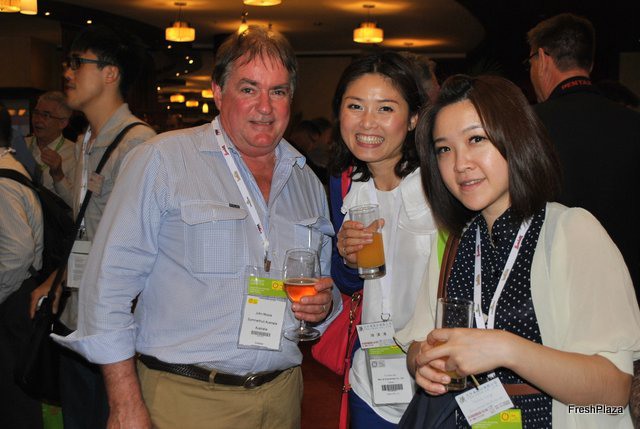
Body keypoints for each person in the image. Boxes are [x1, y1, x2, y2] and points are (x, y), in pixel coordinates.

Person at [54, 26, 340, 429]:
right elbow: (107, 286)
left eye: (277, 91)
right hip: (186, 400)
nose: (265, 106)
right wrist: (124, 402)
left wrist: (323, 307)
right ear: (218, 92)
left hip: (283, 397)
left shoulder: (306, 180)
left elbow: (324, 284)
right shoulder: (162, 160)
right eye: (248, 89)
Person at [396, 74, 640, 428]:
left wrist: (505, 348)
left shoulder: (571, 231)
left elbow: (614, 388)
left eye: (476, 139)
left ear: (515, 138)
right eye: (444, 149)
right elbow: (419, 343)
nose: (460, 163)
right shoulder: (457, 242)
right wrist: (421, 360)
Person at [28, 25, 157, 429]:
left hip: (114, 323)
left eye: (77, 63)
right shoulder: (86, 139)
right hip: (77, 311)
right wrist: (57, 279)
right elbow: (86, 227)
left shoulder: (138, 145)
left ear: (110, 73)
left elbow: (137, 244)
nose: (67, 72)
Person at [329, 52, 437, 427]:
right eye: (355, 106)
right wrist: (347, 258)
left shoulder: (441, 184)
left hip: (435, 379)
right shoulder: (345, 183)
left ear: (414, 118)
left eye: (385, 108)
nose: (367, 122)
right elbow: (350, 284)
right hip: (370, 381)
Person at [526, 13, 640, 299]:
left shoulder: (527, 125)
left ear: (543, 59)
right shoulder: (633, 123)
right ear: (590, 64)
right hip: (628, 289)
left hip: (552, 288)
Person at [0, 103, 44, 428]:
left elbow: (17, 251)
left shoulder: (1, 179)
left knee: (13, 398)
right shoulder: (11, 166)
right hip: (17, 292)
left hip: (11, 297)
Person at [27, 91, 75, 203]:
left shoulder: (75, 153)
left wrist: (58, 175)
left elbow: (76, 204)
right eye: (36, 113)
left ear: (62, 123)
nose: (38, 120)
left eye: (46, 115)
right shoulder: (20, 145)